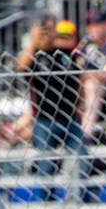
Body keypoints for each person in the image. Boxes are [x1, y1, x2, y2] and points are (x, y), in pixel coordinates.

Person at [17, 16, 85, 174]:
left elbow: (78, 80)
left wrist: (82, 105)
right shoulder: (36, 56)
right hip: (45, 119)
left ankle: (79, 198)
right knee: (46, 166)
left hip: (70, 118)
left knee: (82, 162)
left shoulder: (65, 53)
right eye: (43, 30)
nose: (46, 33)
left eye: (49, 29)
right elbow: (21, 67)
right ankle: (46, 199)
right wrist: (34, 41)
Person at [76, 6, 106, 140]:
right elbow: (74, 68)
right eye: (90, 24)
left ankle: (86, 133)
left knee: (92, 84)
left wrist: (86, 75)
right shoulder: (85, 44)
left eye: (97, 24)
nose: (93, 28)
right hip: (81, 92)